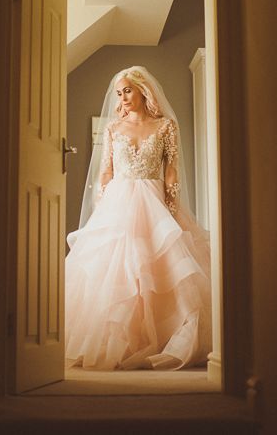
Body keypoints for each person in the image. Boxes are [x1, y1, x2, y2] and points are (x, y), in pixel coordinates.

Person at [65, 65, 211, 370]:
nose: (123, 97)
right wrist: (103, 210)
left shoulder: (166, 126)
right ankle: (120, 342)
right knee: (120, 272)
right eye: (119, 92)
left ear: (143, 91)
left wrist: (171, 210)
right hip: (118, 203)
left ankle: (162, 339)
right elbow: (106, 171)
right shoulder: (113, 129)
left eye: (128, 90)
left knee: (160, 269)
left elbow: (171, 172)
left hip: (155, 204)